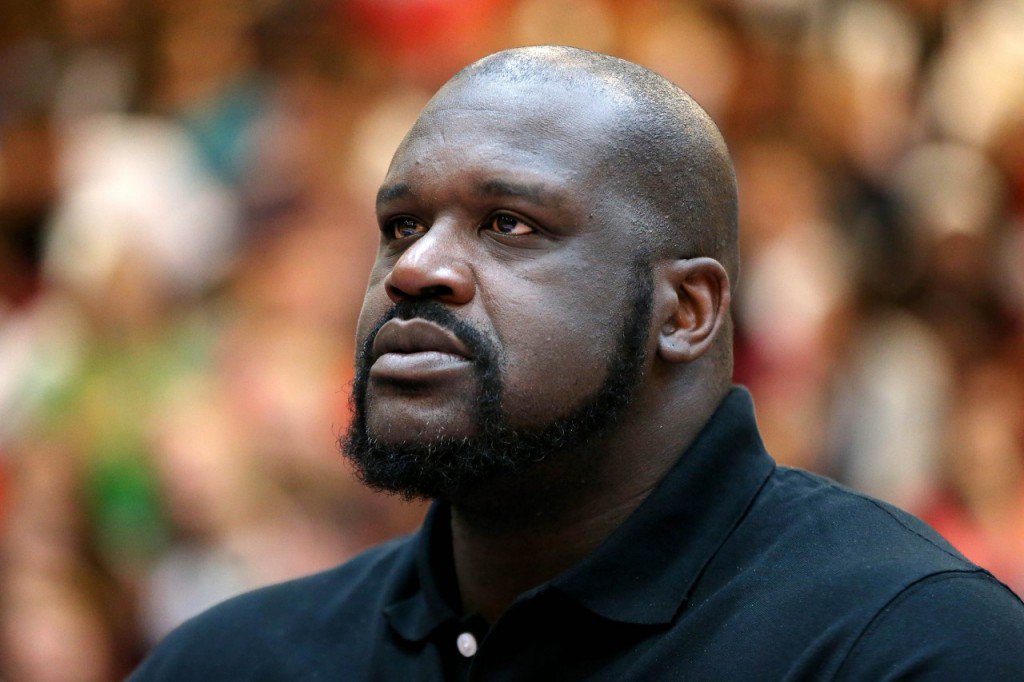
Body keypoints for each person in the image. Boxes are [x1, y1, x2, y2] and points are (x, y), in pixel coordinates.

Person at [132, 46, 1024, 680]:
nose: (415, 269)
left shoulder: (906, 645)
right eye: (401, 225)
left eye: (509, 224)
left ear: (686, 311)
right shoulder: (230, 660)